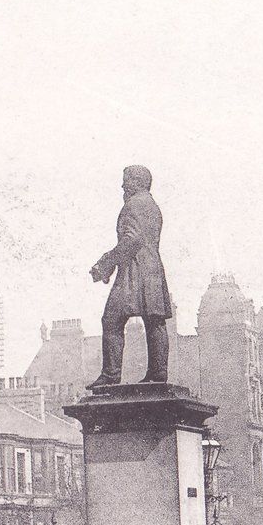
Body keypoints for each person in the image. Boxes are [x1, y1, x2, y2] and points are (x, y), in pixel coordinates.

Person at [87, 164, 174, 387]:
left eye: (127, 180)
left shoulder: (132, 206)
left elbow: (131, 240)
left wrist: (105, 263)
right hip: (153, 270)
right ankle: (158, 374)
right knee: (154, 320)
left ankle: (110, 375)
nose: (123, 185)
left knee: (112, 319)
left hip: (135, 272)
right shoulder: (153, 206)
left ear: (137, 182)